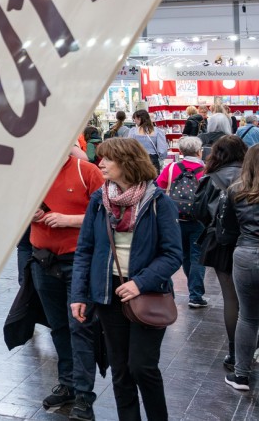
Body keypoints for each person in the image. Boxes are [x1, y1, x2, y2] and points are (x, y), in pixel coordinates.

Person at [70, 138, 182, 419]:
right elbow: (85, 250)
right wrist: (79, 295)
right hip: (108, 293)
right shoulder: (99, 201)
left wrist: (140, 282)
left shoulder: (158, 202)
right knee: (120, 370)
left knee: (142, 366)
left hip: (148, 293)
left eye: (109, 159)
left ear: (128, 163)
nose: (101, 163)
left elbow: (172, 254)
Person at [28, 153, 105, 419]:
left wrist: (67, 219)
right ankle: (69, 383)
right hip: (42, 259)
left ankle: (84, 394)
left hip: (78, 261)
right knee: (59, 326)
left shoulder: (87, 171)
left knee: (79, 327)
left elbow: (107, 215)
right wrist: (31, 214)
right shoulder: (32, 173)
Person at [196, 135, 249, 371]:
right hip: (253, 240)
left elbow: (199, 210)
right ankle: (249, 342)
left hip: (221, 242)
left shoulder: (211, 178)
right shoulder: (253, 175)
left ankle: (234, 352)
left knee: (231, 298)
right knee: (252, 299)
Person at [225, 144, 259, 391]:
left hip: (245, 253)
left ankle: (241, 375)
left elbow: (228, 227)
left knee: (249, 317)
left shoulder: (235, 190)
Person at [155, 135, 207, 308]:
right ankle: (196, 295)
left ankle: (174, 289)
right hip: (198, 219)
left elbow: (159, 188)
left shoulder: (171, 168)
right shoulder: (206, 170)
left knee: (182, 254)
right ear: (199, 152)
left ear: (181, 151)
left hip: (175, 217)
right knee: (197, 256)